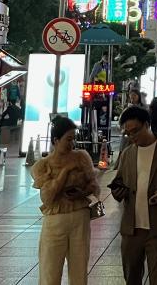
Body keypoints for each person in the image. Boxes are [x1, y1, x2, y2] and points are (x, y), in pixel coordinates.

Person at [108, 106, 157, 285]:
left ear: (146, 125)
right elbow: (119, 180)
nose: (132, 136)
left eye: (135, 131)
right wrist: (117, 191)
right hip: (131, 228)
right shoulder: (128, 153)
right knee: (131, 276)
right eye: (128, 133)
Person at [32, 116, 100, 284]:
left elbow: (94, 186)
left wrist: (83, 192)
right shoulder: (43, 165)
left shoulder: (82, 157)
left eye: (73, 139)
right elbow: (47, 198)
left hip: (80, 218)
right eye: (68, 139)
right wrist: (65, 172)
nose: (72, 143)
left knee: (79, 270)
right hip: (55, 220)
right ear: (56, 140)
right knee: (50, 270)